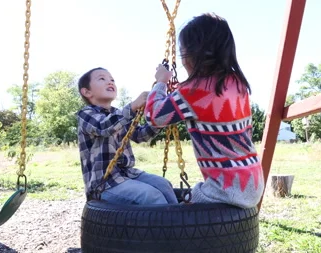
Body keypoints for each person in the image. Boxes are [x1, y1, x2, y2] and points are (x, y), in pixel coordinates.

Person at [145, 13, 265, 209]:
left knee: (177, 216)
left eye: (182, 53)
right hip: (254, 183)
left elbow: (153, 116)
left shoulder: (192, 91)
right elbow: (247, 131)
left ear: (193, 54)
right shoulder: (237, 83)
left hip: (224, 191)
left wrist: (160, 83)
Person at [77, 67, 178, 205]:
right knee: (150, 195)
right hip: (104, 184)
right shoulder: (86, 114)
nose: (110, 82)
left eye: (112, 80)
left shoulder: (118, 114)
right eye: (102, 79)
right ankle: (166, 225)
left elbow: (141, 135)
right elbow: (104, 127)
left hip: (128, 174)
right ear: (87, 92)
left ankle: (179, 222)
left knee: (164, 185)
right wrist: (133, 106)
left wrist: (161, 118)